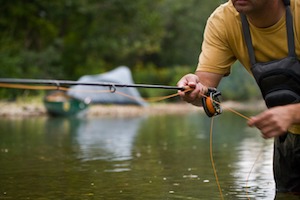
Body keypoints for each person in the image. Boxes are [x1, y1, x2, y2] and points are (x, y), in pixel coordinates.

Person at [177, 0, 300, 194]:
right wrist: (194, 89)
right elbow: (204, 85)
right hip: (289, 139)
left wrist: (292, 113)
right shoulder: (223, 21)